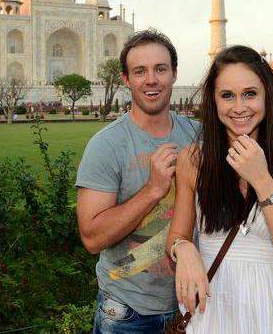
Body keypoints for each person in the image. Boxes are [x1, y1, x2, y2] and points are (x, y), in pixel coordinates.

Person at [167, 45, 273, 333]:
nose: (239, 107)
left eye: (250, 94)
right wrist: (183, 248)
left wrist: (262, 180)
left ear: (267, 95)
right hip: (214, 310)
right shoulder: (194, 160)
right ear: (213, 100)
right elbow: (177, 235)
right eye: (227, 95)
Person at [76, 29, 200, 334]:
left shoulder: (199, 136)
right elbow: (92, 239)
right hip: (128, 313)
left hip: (193, 306)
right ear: (126, 79)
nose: (151, 80)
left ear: (174, 74)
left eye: (160, 69)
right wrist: (153, 190)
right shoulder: (107, 145)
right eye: (140, 71)